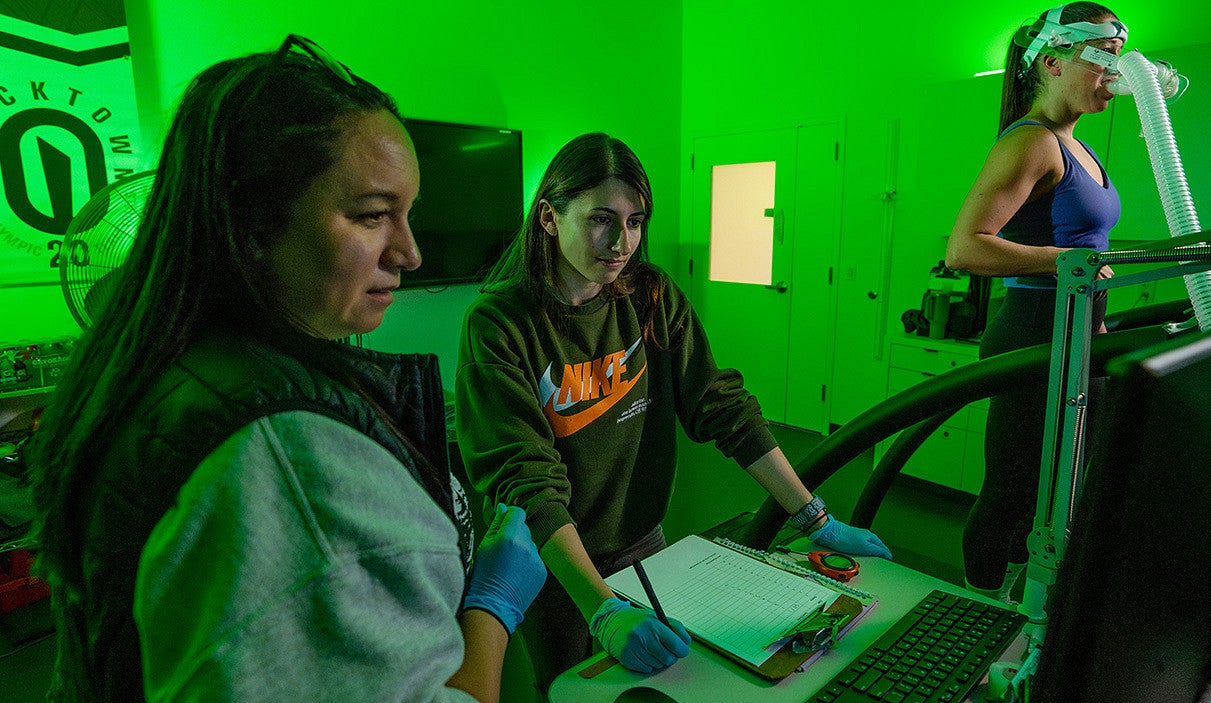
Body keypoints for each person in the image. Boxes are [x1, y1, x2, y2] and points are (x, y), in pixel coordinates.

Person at [24, 35, 545, 702]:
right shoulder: (287, 458)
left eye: (408, 214)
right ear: (252, 224)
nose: (411, 253)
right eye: (372, 215)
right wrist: (493, 610)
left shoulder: (173, 369)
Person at [455, 132, 893, 696]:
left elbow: (720, 405)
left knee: (664, 686)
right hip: (555, 562)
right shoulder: (499, 325)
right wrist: (603, 611)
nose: (621, 243)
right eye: (601, 219)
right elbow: (526, 479)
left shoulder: (649, 297)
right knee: (574, 690)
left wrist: (815, 519)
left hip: (641, 542)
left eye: (635, 221)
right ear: (547, 217)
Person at [945, 3, 1124, 603]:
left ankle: (1031, 614)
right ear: (1051, 61)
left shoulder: (1081, 150)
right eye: (1103, 58)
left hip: (1082, 334)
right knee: (1014, 491)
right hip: (1033, 332)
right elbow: (964, 248)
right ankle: (976, 607)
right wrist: (1065, 265)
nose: (1115, 73)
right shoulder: (1032, 142)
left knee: (1063, 494)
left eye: (1118, 59)